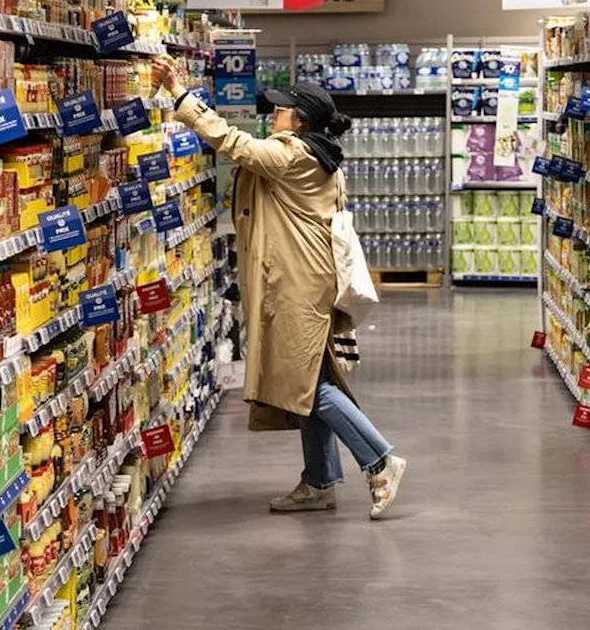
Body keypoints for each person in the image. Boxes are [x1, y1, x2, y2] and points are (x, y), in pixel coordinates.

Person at [152, 57, 407, 519]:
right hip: (303, 280)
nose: (274, 115)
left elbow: (234, 144)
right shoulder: (315, 152)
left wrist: (181, 95)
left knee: (308, 384)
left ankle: (381, 460)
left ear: (301, 119)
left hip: (298, 286)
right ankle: (320, 480)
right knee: (309, 381)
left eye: (282, 110)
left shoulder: (295, 155)